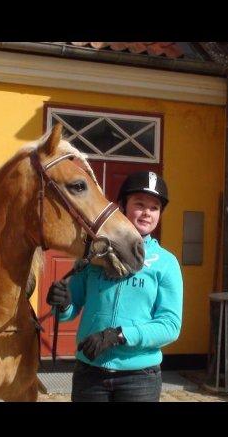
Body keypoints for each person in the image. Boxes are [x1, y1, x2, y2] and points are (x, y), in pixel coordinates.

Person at [46, 170, 183, 402]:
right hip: (91, 374)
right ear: (122, 205)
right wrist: (62, 302)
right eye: (139, 204)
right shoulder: (94, 256)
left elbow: (170, 326)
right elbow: (68, 312)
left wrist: (119, 335)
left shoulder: (166, 263)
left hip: (139, 378)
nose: (147, 213)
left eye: (154, 208)